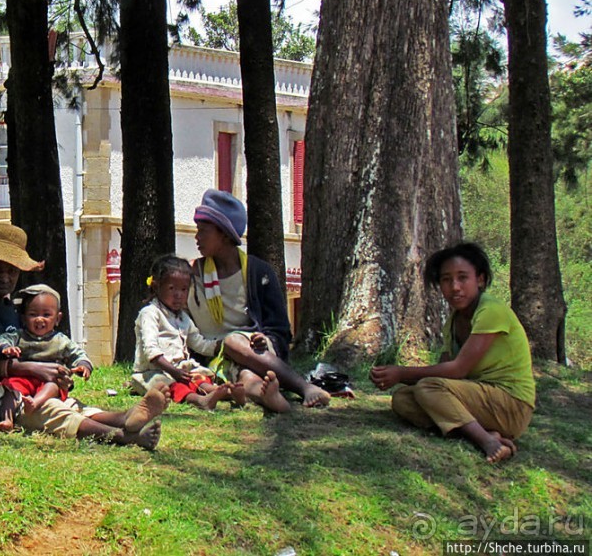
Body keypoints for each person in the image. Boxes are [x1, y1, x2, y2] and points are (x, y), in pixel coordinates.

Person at [0, 222, 167, 450]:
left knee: (71, 404)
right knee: (50, 411)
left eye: (11, 271)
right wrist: (31, 369)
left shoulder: (15, 312)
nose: (5, 277)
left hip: (27, 391)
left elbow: (37, 349)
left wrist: (58, 374)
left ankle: (126, 418)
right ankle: (122, 436)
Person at [370, 242, 536, 463]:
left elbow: (458, 370)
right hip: (478, 397)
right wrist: (394, 378)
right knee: (403, 399)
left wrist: (401, 373)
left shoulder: (491, 310)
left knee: (428, 387)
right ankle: (481, 433)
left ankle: (488, 443)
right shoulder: (453, 322)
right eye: (446, 280)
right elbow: (444, 373)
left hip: (511, 404)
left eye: (462, 278)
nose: (455, 287)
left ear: (480, 279)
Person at [187, 189, 331, 412]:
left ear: (224, 234)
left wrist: (265, 339)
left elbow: (279, 329)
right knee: (242, 370)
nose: (197, 237)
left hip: (258, 351)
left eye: (203, 231)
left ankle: (292, 390)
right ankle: (277, 397)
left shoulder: (258, 272)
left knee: (239, 353)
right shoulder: (192, 275)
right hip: (218, 355)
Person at [132, 255, 246, 410]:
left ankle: (223, 393)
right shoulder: (150, 313)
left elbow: (199, 343)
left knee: (198, 377)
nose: (178, 295)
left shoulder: (183, 318)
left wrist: (223, 344)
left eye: (184, 289)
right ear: (156, 286)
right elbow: (151, 351)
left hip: (181, 369)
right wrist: (173, 371)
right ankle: (198, 400)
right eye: (172, 288)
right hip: (154, 371)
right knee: (169, 385)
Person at [0, 284, 95, 432]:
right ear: (23, 317)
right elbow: (2, 340)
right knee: (10, 388)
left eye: (46, 315)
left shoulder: (61, 341)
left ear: (57, 318)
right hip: (25, 378)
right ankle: (7, 420)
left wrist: (83, 366)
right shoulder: (19, 336)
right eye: (33, 314)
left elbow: (78, 354)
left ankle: (34, 403)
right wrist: (6, 349)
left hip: (49, 381)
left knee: (53, 385)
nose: (39, 319)